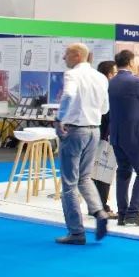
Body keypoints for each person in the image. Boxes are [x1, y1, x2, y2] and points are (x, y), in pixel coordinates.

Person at [54, 43, 111, 245]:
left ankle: (76, 232)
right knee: (85, 177)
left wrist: (60, 118)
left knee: (69, 183)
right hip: (94, 130)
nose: (64, 58)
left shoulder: (72, 75)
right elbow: (105, 109)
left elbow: (69, 95)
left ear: (77, 55)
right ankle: (99, 211)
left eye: (66, 54)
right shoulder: (100, 77)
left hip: (75, 130)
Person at [108, 49, 139, 226]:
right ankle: (133, 212)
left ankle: (122, 213)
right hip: (135, 134)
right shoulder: (137, 82)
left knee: (123, 171)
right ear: (130, 62)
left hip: (117, 134)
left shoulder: (112, 82)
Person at [93, 61, 117, 213]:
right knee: (102, 171)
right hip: (103, 135)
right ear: (109, 75)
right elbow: (107, 114)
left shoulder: (96, 88)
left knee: (97, 171)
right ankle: (100, 206)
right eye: (115, 73)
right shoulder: (107, 91)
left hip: (95, 134)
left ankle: (97, 205)